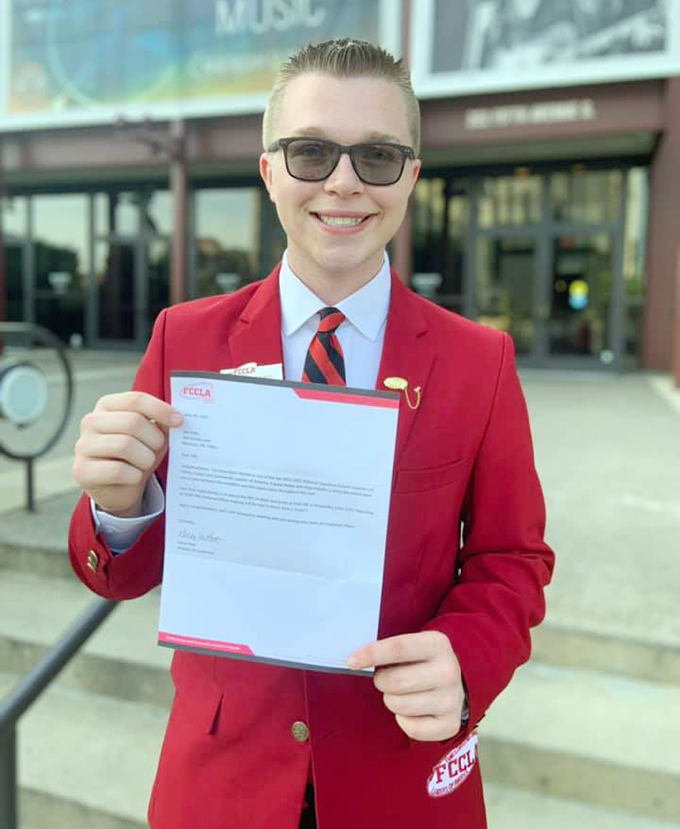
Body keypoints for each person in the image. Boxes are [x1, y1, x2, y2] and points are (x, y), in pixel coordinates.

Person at [69, 38, 554, 829]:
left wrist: (469, 655)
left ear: (411, 178)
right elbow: (119, 575)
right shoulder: (183, 339)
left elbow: (514, 556)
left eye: (378, 156)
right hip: (223, 783)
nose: (343, 182)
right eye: (311, 151)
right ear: (269, 172)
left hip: (402, 777)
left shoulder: (480, 362)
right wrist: (121, 505)